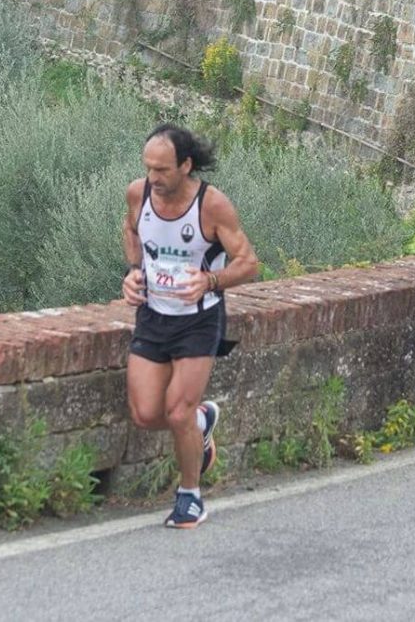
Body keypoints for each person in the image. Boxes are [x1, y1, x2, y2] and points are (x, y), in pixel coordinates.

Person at [121, 125, 259, 528]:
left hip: (199, 320)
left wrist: (210, 280)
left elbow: (248, 263)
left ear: (186, 165)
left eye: (162, 170)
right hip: (152, 315)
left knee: (177, 411)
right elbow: (131, 229)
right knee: (146, 413)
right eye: (148, 168)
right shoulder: (138, 194)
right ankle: (202, 423)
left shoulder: (211, 205)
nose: (153, 178)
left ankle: (189, 496)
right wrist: (133, 271)